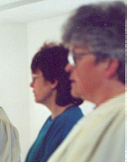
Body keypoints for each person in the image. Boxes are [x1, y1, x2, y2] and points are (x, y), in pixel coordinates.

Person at [48, 2, 125, 162]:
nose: (68, 67)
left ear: (109, 64)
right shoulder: (102, 115)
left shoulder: (120, 120)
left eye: (76, 57)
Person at [25, 43, 84, 162]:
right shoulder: (52, 120)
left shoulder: (69, 124)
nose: (31, 85)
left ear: (53, 81)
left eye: (35, 78)